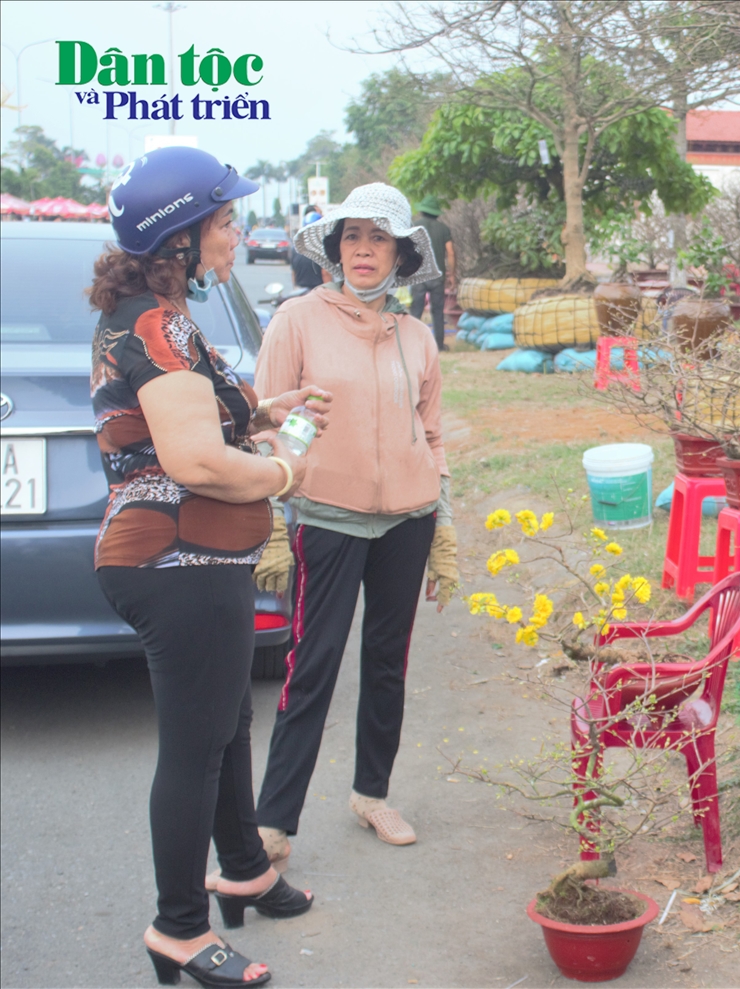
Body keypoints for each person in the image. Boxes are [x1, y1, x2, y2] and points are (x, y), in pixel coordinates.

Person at [92, 146, 328, 988]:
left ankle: (245, 868)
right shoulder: (154, 326)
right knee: (196, 745)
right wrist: (284, 473)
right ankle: (179, 929)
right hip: (175, 558)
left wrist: (265, 410)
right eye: (226, 220)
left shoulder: (160, 315)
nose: (238, 232)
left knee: (229, 723)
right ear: (180, 238)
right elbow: (193, 460)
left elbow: (196, 417)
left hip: (200, 552)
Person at [252, 183, 460, 857]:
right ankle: (275, 821)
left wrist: (444, 524)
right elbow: (268, 425)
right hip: (327, 516)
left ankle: (373, 794)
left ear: (400, 255)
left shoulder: (417, 337)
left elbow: (431, 436)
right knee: (312, 665)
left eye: (378, 239)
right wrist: (274, 515)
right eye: (352, 237)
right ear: (334, 250)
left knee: (387, 665)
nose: (363, 250)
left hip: (408, 519)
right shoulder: (298, 320)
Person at [407, 195, 453, 350]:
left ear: (422, 211)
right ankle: (439, 345)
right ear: (436, 212)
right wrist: (451, 274)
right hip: (437, 276)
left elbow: (407, 249)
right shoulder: (444, 229)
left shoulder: (414, 227)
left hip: (418, 275)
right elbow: (450, 252)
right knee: (438, 311)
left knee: (416, 311)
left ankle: (412, 345)